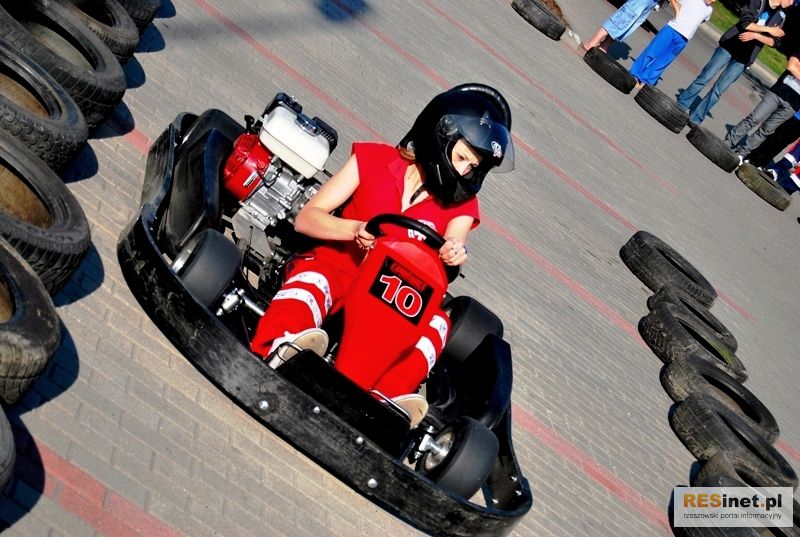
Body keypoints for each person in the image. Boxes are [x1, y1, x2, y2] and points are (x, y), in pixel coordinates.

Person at [249, 83, 514, 423]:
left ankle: (383, 402)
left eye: (473, 167)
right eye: (462, 158)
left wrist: (454, 251)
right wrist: (354, 229)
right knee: (316, 280)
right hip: (340, 266)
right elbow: (307, 218)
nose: (464, 172)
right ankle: (281, 346)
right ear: (440, 135)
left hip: (395, 295)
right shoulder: (372, 160)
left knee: (438, 323)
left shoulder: (461, 205)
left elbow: (455, 239)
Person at [677, 0, 792, 126]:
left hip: (745, 58)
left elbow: (774, 42)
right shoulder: (758, 2)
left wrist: (757, 36)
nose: (792, 3)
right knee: (705, 77)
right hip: (730, 46)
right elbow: (745, 23)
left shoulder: (781, 16)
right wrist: (768, 30)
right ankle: (681, 105)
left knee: (719, 89)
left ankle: (696, 118)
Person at [725, 50, 800, 163]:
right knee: (754, 118)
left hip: (793, 105)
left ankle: (741, 153)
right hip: (778, 93)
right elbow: (791, 66)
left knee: (766, 130)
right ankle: (728, 143)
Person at [629, 0, 716, 88]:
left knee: (663, 61)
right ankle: (634, 75)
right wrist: (677, 10)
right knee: (651, 52)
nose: (713, 1)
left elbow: (700, 20)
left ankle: (646, 81)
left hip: (683, 39)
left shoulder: (709, 10)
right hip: (671, 29)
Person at [583, 0, 666, 52]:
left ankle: (604, 46)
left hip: (652, 2)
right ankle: (592, 44)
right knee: (621, 19)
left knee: (627, 26)